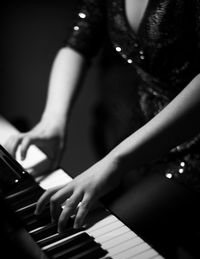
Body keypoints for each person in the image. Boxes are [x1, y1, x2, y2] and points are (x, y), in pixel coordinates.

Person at [5, 0, 200, 233]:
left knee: (111, 234)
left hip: (193, 152)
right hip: (141, 136)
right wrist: (52, 121)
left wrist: (116, 161)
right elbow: (78, 41)